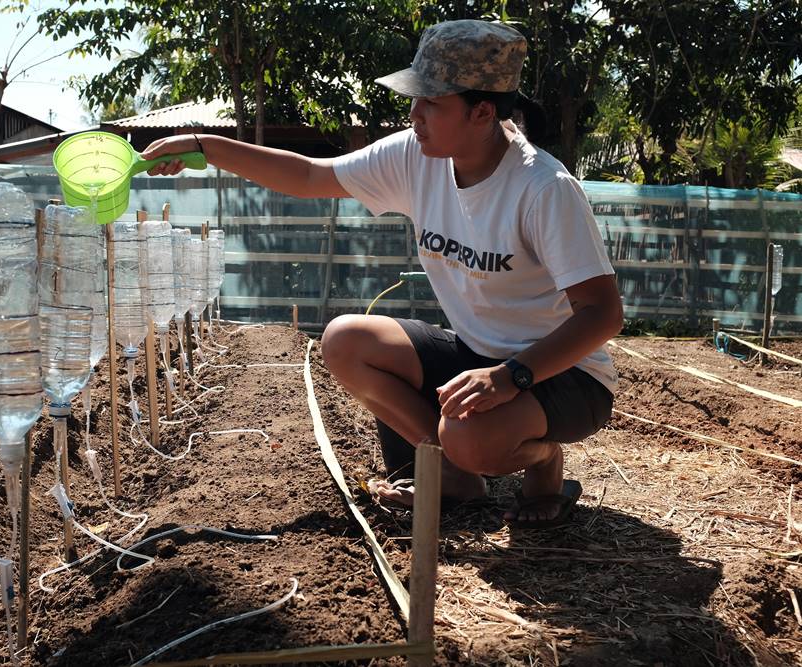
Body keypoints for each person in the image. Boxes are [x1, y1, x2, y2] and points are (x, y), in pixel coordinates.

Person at [141, 19, 622, 528]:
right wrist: (204, 146)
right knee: (346, 341)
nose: (414, 115)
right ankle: (451, 474)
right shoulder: (418, 157)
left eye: (430, 103)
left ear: (482, 111)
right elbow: (309, 175)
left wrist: (510, 377)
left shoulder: (542, 188)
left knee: (470, 437)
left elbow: (603, 315)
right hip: (476, 355)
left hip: (562, 374)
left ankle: (543, 460)